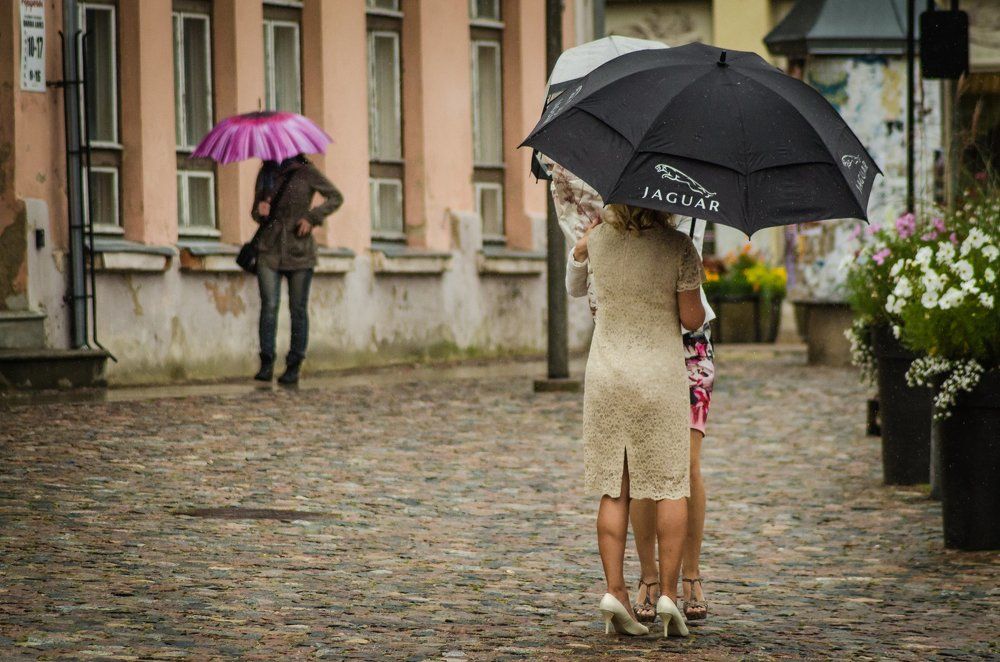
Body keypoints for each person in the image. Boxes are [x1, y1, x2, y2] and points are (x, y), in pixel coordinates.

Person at [557, 164, 717, 625]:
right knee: (669, 486)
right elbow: (691, 319)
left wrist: (583, 249)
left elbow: (574, 287)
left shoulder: (598, 241)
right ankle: (668, 594)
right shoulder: (678, 247)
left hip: (606, 374)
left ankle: (616, 593)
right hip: (658, 378)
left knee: (615, 488)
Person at [251, 154, 343, 385]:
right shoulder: (266, 174)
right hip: (269, 248)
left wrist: (312, 217)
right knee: (269, 305)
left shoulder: (307, 172)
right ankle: (266, 361)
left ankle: (294, 364)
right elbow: (256, 211)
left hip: (299, 250)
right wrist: (259, 211)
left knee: (297, 308)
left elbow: (335, 197)